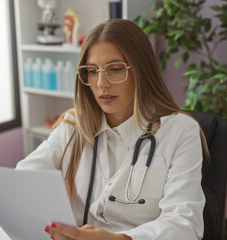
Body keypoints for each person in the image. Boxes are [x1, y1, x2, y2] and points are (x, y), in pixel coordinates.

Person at [16, 19, 207, 240]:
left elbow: (184, 225)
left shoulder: (181, 131)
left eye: (115, 69)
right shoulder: (73, 125)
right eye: (92, 71)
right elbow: (23, 179)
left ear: (142, 71)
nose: (101, 84)